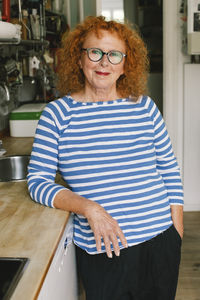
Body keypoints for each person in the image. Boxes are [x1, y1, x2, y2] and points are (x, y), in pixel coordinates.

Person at [27, 16, 184, 300]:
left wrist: (176, 232)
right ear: (79, 57)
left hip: (160, 241)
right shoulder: (57, 115)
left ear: (125, 64)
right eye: (95, 52)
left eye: (114, 55)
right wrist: (89, 208)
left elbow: (169, 170)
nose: (104, 63)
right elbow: (38, 181)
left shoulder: (145, 107)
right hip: (103, 248)